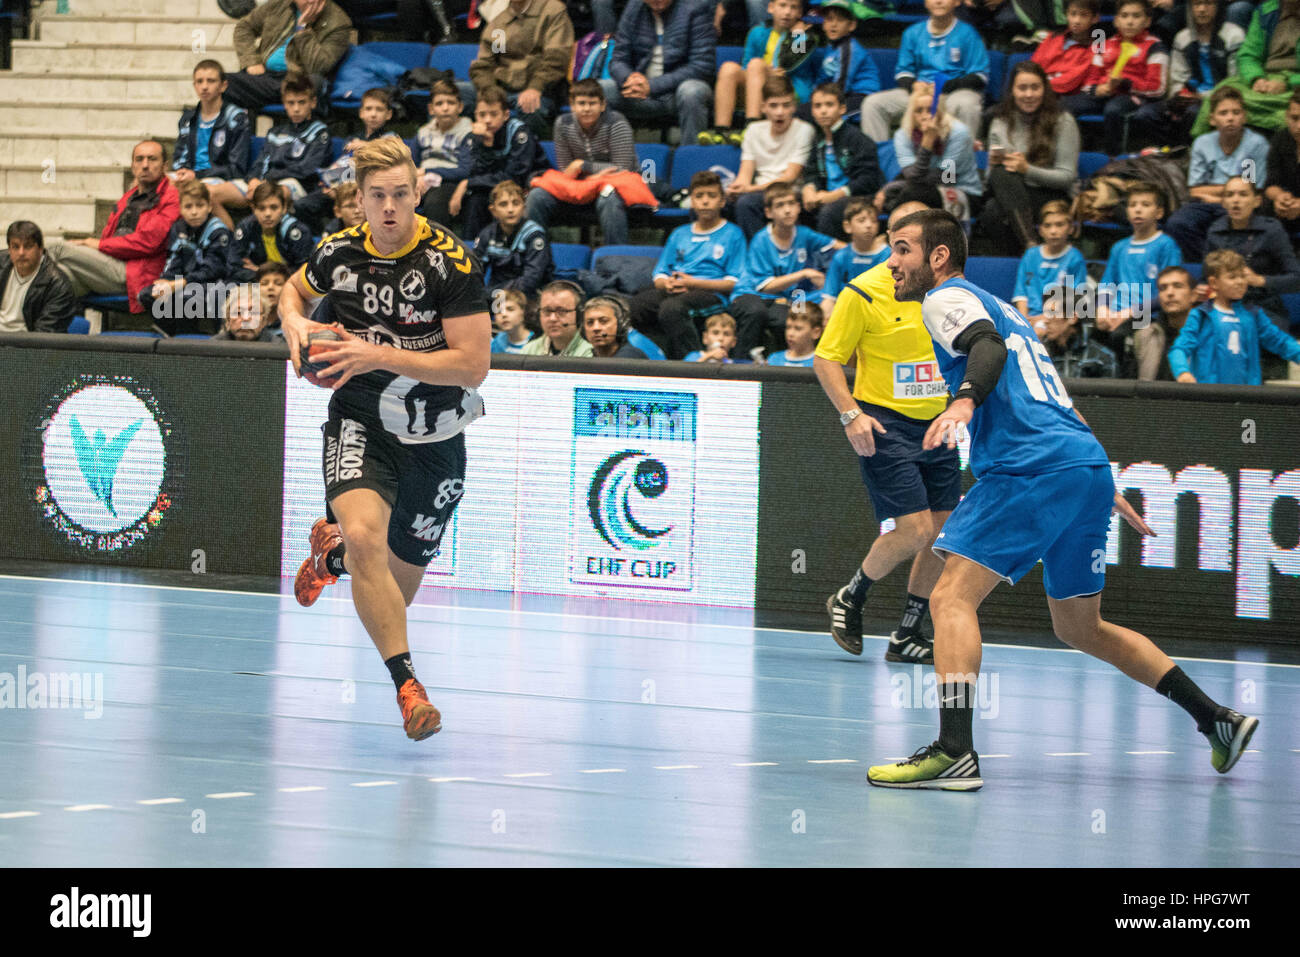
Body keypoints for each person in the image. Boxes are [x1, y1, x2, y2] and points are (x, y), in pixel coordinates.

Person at [866, 207, 1259, 789]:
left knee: (949, 598)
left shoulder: (945, 300)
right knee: (1081, 626)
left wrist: (965, 401)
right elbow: (1058, 402)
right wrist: (1100, 478)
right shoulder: (1013, 313)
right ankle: (1217, 720)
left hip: (1028, 468)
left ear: (938, 256)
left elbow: (985, 351)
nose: (891, 262)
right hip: (1078, 465)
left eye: (901, 250)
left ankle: (955, 751)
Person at [283, 138, 493, 742]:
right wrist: (296, 322)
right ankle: (409, 689)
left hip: (436, 431)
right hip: (361, 415)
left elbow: (473, 365)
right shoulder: (340, 251)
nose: (391, 206)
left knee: (392, 588)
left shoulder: (450, 265)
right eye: (378, 196)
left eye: (401, 193)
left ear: (419, 192)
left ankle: (333, 560)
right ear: (361, 200)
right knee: (365, 536)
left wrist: (377, 349)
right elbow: (293, 290)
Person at [813, 200, 959, 664]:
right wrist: (850, 414)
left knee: (942, 535)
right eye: (897, 239)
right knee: (914, 529)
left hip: (939, 422)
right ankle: (851, 597)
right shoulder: (864, 291)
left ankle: (907, 633)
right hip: (885, 423)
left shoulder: (951, 292)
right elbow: (826, 358)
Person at [45, 140, 179, 315]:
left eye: (152, 159)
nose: (145, 165)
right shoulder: (128, 198)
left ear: (164, 165)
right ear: (132, 166)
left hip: (136, 273)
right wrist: (97, 247)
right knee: (60, 278)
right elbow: (110, 236)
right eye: (139, 159)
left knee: (56, 248)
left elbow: (147, 242)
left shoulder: (171, 198)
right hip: (110, 265)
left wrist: (97, 245)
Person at [632, 170, 747, 359]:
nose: (705, 201)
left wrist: (693, 283)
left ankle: (694, 364)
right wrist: (667, 283)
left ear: (722, 201)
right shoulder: (679, 233)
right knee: (635, 306)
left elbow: (733, 282)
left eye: (711, 196)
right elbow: (660, 274)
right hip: (676, 289)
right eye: (699, 196)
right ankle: (647, 360)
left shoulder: (733, 234)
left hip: (712, 294)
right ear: (692, 201)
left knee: (672, 309)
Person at [976, 61, 1080, 255]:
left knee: (996, 202)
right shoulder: (1000, 121)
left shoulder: (1063, 121)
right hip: (1011, 192)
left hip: (1051, 194)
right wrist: (992, 166)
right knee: (993, 203)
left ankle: (1029, 251)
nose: (1029, 94)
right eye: (1022, 88)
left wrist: (1026, 169)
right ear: (1012, 91)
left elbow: (1067, 178)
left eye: (1035, 87)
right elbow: (993, 178)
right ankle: (1029, 249)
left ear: (1044, 89)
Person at [729, 181, 843, 358]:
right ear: (769, 212)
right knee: (756, 312)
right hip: (750, 295)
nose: (787, 210)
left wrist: (867, 250)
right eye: (780, 205)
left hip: (783, 299)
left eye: (791, 204)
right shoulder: (761, 240)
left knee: (795, 321)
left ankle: (793, 365)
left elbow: (840, 247)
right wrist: (804, 273)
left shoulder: (804, 234)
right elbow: (765, 286)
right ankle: (739, 367)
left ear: (798, 207)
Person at [524, 79, 638, 246]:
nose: (586, 109)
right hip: (578, 187)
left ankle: (615, 258)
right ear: (572, 105)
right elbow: (566, 169)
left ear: (603, 105)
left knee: (609, 196)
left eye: (592, 103)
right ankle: (535, 253)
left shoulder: (617, 122)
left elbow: (623, 169)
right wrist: (587, 171)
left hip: (613, 187)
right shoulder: (562, 124)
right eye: (581, 103)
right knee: (537, 196)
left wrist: (583, 166)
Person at [859, 0, 990, 143]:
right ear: (926, 3)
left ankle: (963, 160)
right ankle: (879, 159)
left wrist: (946, 86)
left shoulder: (968, 34)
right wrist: (912, 85)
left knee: (967, 104)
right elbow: (904, 72)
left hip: (953, 92)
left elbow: (979, 76)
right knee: (873, 104)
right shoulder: (912, 33)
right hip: (920, 92)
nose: (939, 2)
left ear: (957, 2)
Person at [1165, 86, 1271, 261]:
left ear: (1244, 117)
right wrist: (1227, 192)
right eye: (1223, 113)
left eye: (1236, 112)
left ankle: (1224, 267)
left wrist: (1217, 195)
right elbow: (1195, 191)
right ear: (1212, 119)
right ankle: (1208, 265)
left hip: (1240, 203)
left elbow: (1249, 191)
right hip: (1205, 205)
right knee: (1177, 223)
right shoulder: (1202, 143)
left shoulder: (1256, 145)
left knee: (1233, 219)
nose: (1230, 118)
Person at [207, 73, 332, 216]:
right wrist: (253, 180)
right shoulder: (275, 133)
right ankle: (230, 235)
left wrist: (268, 182)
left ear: (313, 103)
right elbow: (260, 163)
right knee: (210, 193)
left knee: (271, 196)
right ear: (284, 104)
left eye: (302, 102)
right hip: (263, 184)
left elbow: (307, 170)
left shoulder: (320, 132)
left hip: (297, 186)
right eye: (291, 103)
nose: (296, 108)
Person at [1169, 248, 1300, 381]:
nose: (1240, 282)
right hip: (1209, 395)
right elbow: (1180, 348)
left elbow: (1281, 342)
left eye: (1242, 276)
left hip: (1247, 395)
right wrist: (1182, 372)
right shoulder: (1201, 315)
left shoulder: (1254, 315)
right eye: (1232, 277)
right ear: (1214, 283)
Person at [1129, 0, 1245, 149]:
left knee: (1192, 113)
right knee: (1145, 114)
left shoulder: (1233, 35)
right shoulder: (1182, 37)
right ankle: (1170, 150)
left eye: (1208, 4)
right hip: (1190, 96)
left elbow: (1234, 81)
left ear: (1218, 6)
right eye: (1197, 4)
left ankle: (1185, 153)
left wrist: (1202, 97)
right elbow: (1177, 77)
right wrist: (1179, 95)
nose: (1202, 9)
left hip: (1220, 98)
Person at [1060, 0, 1169, 156]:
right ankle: (1071, 153)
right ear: (1116, 20)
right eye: (1124, 16)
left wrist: (1124, 83)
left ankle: (1113, 157)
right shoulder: (1104, 43)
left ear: (1147, 21)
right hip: (1106, 93)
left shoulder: (1155, 46)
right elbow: (1090, 79)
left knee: (1113, 109)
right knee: (1065, 104)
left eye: (1136, 16)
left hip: (1135, 97)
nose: (1130, 21)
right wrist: (1098, 89)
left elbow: (1157, 89)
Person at [603, 0, 716, 146]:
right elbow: (618, 59)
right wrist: (629, 77)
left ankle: (691, 157)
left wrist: (652, 85)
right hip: (637, 90)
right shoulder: (634, 8)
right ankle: (599, 159)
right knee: (599, 90)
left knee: (692, 91)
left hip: (675, 92)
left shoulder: (696, 8)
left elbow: (702, 65)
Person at [703, 0, 816, 145]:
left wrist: (798, 35)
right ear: (770, 8)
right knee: (729, 68)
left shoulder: (805, 35)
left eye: (793, 7)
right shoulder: (757, 32)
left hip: (788, 85)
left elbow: (790, 64)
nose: (787, 12)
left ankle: (752, 127)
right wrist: (764, 71)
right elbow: (746, 66)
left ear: (800, 13)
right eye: (782, 5)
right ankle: (721, 130)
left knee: (756, 64)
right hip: (757, 85)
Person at [141, 179, 242, 334]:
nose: (194, 212)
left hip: (214, 284)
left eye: (199, 206)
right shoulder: (179, 227)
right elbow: (173, 259)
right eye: (188, 206)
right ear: (181, 209)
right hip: (185, 283)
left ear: (209, 207)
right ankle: (170, 333)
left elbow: (212, 270)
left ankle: (197, 337)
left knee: (186, 296)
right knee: (148, 294)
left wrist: (179, 284)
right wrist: (166, 280)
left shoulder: (218, 231)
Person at [452, 85, 550, 240]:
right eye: (482, 115)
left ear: (505, 115)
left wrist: (467, 183)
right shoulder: (474, 137)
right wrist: (486, 145)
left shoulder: (519, 132)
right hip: (491, 187)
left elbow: (514, 177)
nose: (488, 120)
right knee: (476, 200)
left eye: (493, 114)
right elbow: (474, 171)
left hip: (526, 185)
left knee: (502, 199)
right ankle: (470, 252)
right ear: (475, 115)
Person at [465, 0, 575, 139]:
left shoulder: (552, 10)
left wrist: (535, 87)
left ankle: (532, 154)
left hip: (541, 88)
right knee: (461, 94)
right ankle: (473, 149)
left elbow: (557, 57)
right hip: (502, 88)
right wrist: (489, 90)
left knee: (530, 106)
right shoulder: (501, 22)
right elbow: (486, 63)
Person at [1190, 0, 1300, 137]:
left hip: (1295, 84)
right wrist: (1256, 78)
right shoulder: (1266, 11)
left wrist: (1288, 83)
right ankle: (1204, 150)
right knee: (1220, 94)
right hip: (1265, 76)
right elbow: (1248, 54)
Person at [726, 74, 816, 238]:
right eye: (773, 106)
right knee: (716, 204)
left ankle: (758, 255)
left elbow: (789, 178)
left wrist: (749, 189)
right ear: (763, 107)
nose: (780, 112)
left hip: (789, 191)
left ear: (794, 107)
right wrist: (735, 189)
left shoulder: (804, 130)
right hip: (758, 191)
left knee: (746, 203)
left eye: (786, 105)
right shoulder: (753, 130)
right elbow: (744, 175)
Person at [875, 85, 982, 222]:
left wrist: (927, 142)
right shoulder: (903, 135)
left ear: (940, 112)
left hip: (962, 192)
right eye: (919, 111)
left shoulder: (958, 133)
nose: (925, 116)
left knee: (911, 194)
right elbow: (911, 175)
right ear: (911, 113)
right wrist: (889, 189)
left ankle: (891, 233)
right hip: (922, 187)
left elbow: (945, 178)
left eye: (931, 110)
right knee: (886, 197)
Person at [1204, 175, 1300, 325]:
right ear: (1223, 202)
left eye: (1243, 194)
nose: (1236, 200)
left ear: (1257, 201)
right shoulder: (1215, 231)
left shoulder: (1271, 230)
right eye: (1229, 195)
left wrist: (1260, 280)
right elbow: (1206, 277)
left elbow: (1296, 278)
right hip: (1225, 307)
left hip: (1264, 306)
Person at [225, 0, 350, 114]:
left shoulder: (339, 23)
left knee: (313, 83)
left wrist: (303, 30)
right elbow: (244, 27)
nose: (311, 1)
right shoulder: (278, 5)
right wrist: (251, 61)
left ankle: (283, 93)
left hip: (301, 80)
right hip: (266, 76)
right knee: (222, 82)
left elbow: (319, 67)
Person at [170, 60, 252, 229]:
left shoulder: (236, 118)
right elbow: (180, 157)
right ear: (194, 85)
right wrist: (182, 172)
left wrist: (196, 175)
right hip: (195, 177)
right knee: (150, 184)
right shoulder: (188, 118)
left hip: (228, 181)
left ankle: (231, 243)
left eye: (211, 81)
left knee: (204, 193)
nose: (204, 87)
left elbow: (236, 168)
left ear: (223, 86)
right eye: (199, 81)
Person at [1096, 182, 1183, 334]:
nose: (1137, 209)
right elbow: (1107, 283)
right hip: (1114, 313)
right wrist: (1103, 309)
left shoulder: (1166, 245)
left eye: (1145, 204)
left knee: (1119, 335)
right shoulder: (1119, 247)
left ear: (1159, 213)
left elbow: (1168, 292)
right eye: (1132, 205)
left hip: (1148, 315)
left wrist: (1128, 313)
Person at [801, 82, 883, 240]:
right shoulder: (817, 138)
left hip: (857, 198)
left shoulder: (857, 139)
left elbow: (868, 180)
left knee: (828, 211)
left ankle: (826, 260)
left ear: (842, 108)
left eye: (829, 105)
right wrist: (809, 189)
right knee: (791, 204)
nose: (823, 110)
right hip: (824, 195)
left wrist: (836, 194)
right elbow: (811, 172)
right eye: (817, 106)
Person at [1011, 200, 1088, 329]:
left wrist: (1042, 319)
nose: (1053, 231)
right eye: (1047, 225)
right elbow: (1021, 294)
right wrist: (1024, 323)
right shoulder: (1030, 255)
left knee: (1040, 333)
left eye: (1059, 225)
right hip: (1028, 318)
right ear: (1040, 230)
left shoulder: (1075, 258)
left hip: (1056, 320)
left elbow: (1073, 301)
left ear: (1070, 228)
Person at [473, 180, 554, 299]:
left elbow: (531, 280)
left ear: (524, 208)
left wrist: (492, 293)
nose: (510, 210)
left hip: (529, 296)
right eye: (503, 204)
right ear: (493, 211)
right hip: (496, 294)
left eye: (516, 203)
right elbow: (474, 271)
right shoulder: (487, 234)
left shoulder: (535, 235)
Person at [803, 0, 880, 120]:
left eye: (840, 20)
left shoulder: (848, 48)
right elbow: (797, 65)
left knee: (820, 113)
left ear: (851, 25)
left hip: (859, 97)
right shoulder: (830, 46)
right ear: (823, 24)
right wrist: (797, 34)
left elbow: (842, 84)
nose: (833, 24)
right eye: (829, 19)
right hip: (819, 92)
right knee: (802, 111)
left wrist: (798, 35)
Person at [417, 79, 474, 228]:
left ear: (460, 107)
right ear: (431, 109)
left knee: (435, 201)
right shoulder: (423, 132)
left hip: (448, 182)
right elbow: (412, 165)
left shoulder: (468, 131)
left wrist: (428, 172)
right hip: (420, 181)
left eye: (451, 103)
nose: (445, 108)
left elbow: (465, 170)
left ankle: (438, 247)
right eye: (439, 104)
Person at [0, 221, 76, 334]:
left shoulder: (58, 286)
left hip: (26, 346)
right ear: (9, 249)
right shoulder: (1, 264)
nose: (21, 253)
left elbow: (43, 337)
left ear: (40, 249)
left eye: (28, 246)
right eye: (15, 247)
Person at [822, 197, 890, 321]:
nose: (869, 225)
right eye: (861, 220)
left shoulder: (888, 255)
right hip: (845, 313)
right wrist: (826, 319)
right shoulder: (841, 256)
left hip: (878, 314)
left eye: (874, 221)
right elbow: (829, 297)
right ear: (847, 226)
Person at [232, 181, 314, 280]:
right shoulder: (246, 228)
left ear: (284, 208)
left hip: (290, 285)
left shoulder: (297, 232)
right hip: (258, 283)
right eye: (261, 208)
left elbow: (305, 271)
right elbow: (234, 266)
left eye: (274, 207)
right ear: (253, 209)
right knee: (225, 289)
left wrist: (263, 273)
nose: (267, 214)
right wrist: (260, 277)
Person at [1134, 265, 1197, 379]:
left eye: (1178, 286)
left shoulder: (1206, 336)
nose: (1169, 293)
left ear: (1193, 295)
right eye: (1163, 288)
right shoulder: (1145, 335)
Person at [1031, 0, 1102, 98]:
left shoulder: (1095, 48)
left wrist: (1038, 85)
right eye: (1073, 14)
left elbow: (1070, 80)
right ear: (1066, 15)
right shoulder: (1052, 37)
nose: (1077, 21)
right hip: (1036, 89)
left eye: (1083, 15)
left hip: (1062, 96)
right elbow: (1034, 65)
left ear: (1095, 19)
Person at [520, 280, 597, 355]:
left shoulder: (590, 352)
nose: (552, 318)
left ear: (579, 315)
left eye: (562, 311)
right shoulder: (529, 350)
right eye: (547, 311)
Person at [1263, 89, 1300, 230]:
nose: (1299, 126)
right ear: (1286, 117)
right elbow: (1270, 183)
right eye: (1295, 118)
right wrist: (1279, 197)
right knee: (1263, 203)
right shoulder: (1280, 139)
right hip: (1287, 207)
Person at [584, 295, 649, 357]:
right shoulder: (589, 357)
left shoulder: (630, 356)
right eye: (590, 322)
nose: (596, 328)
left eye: (604, 321)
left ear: (620, 324)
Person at [211, 284, 280, 342]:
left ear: (264, 321)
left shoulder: (279, 347)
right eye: (238, 313)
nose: (246, 319)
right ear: (228, 320)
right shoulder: (213, 345)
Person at [489, 287, 539, 353]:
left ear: (523, 312)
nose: (504, 315)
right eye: (499, 311)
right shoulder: (496, 342)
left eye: (510, 309)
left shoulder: (537, 343)